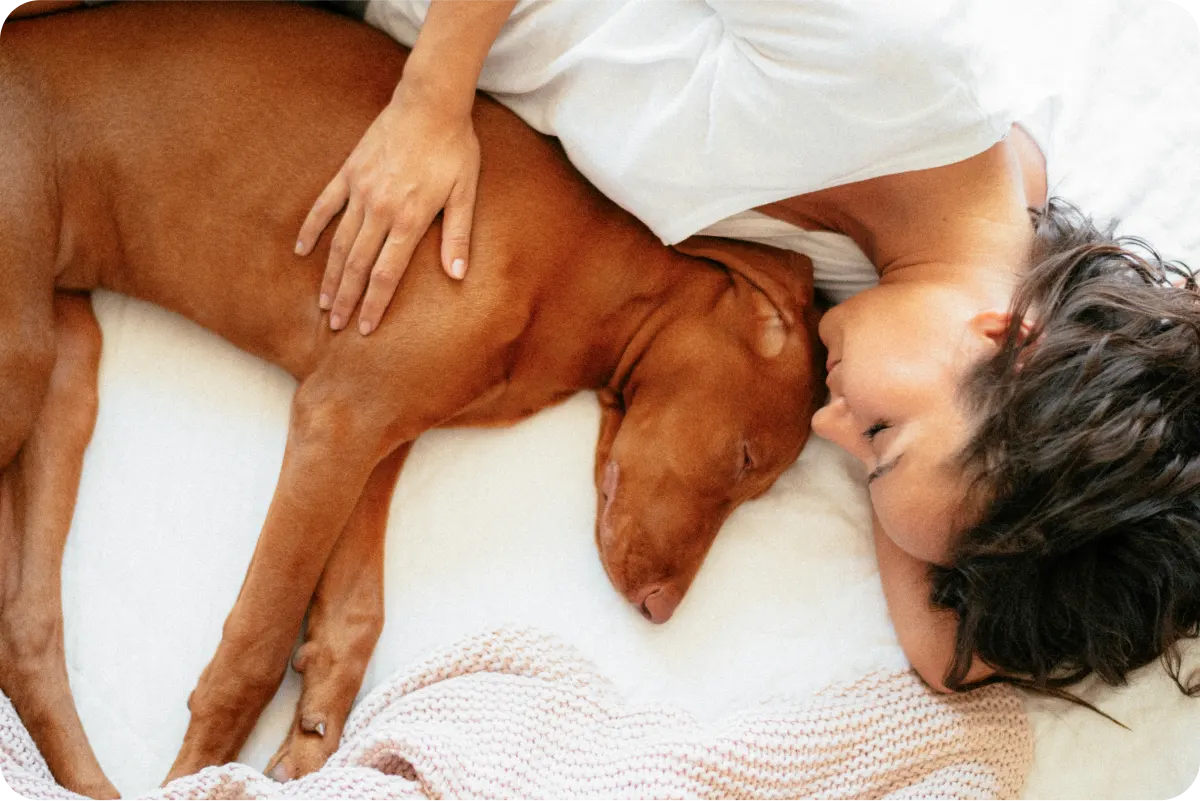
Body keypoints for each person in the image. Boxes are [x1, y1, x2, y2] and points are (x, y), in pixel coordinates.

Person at [12, 0, 1198, 699]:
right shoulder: (898, 64)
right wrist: (432, 103)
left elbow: (948, 658)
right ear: (1010, 339)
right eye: (878, 440)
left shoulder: (870, 300)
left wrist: (992, 515)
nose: (834, 431)